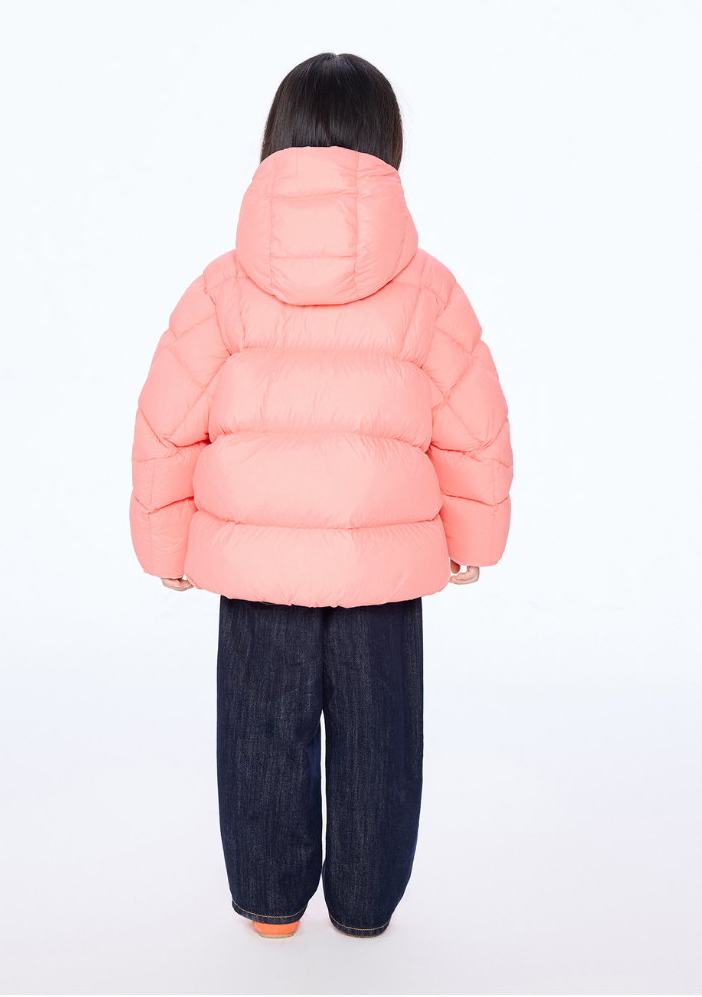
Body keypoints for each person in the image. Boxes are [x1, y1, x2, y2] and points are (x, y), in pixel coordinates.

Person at [129, 52, 513, 939]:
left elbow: (167, 421)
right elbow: (472, 424)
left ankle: (270, 905)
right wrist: (472, 538)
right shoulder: (427, 288)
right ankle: (366, 907)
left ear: (277, 140)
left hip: (254, 561)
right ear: (387, 145)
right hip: (383, 563)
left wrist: (166, 544)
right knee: (382, 736)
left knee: (260, 728)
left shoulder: (223, 286)